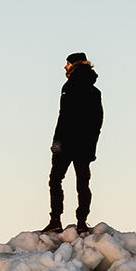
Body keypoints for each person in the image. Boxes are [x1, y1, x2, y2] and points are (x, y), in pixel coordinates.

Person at [44, 53, 101, 234]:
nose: (64, 67)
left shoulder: (69, 87)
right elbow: (97, 121)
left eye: (67, 64)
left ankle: (55, 221)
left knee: (55, 179)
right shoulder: (94, 91)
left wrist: (56, 145)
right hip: (85, 145)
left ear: (74, 65)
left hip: (67, 144)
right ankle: (82, 222)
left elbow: (64, 119)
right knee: (82, 183)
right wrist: (91, 145)